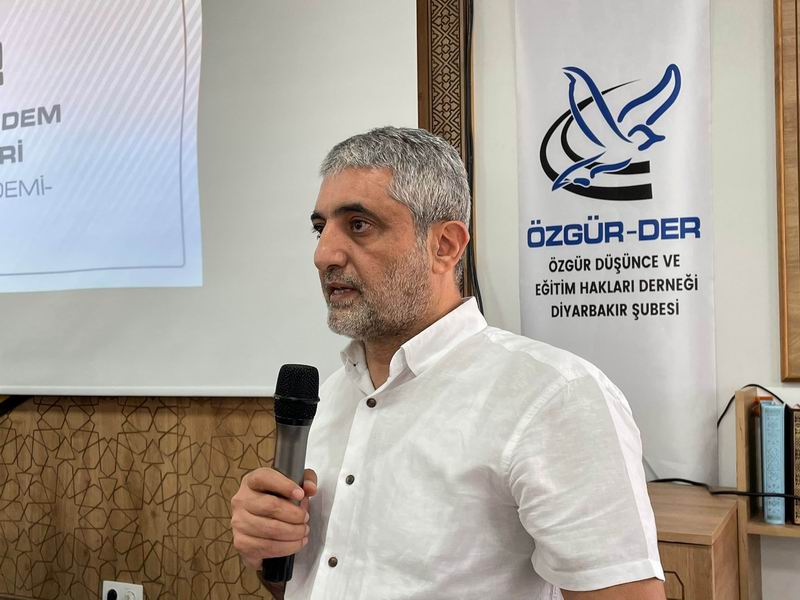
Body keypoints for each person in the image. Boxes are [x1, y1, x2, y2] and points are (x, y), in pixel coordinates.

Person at [230, 127, 666, 600]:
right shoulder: (330, 397)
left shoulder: (553, 397)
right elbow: (307, 586)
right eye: (321, 229)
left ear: (445, 245)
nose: (323, 255)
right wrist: (269, 551)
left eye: (358, 225)